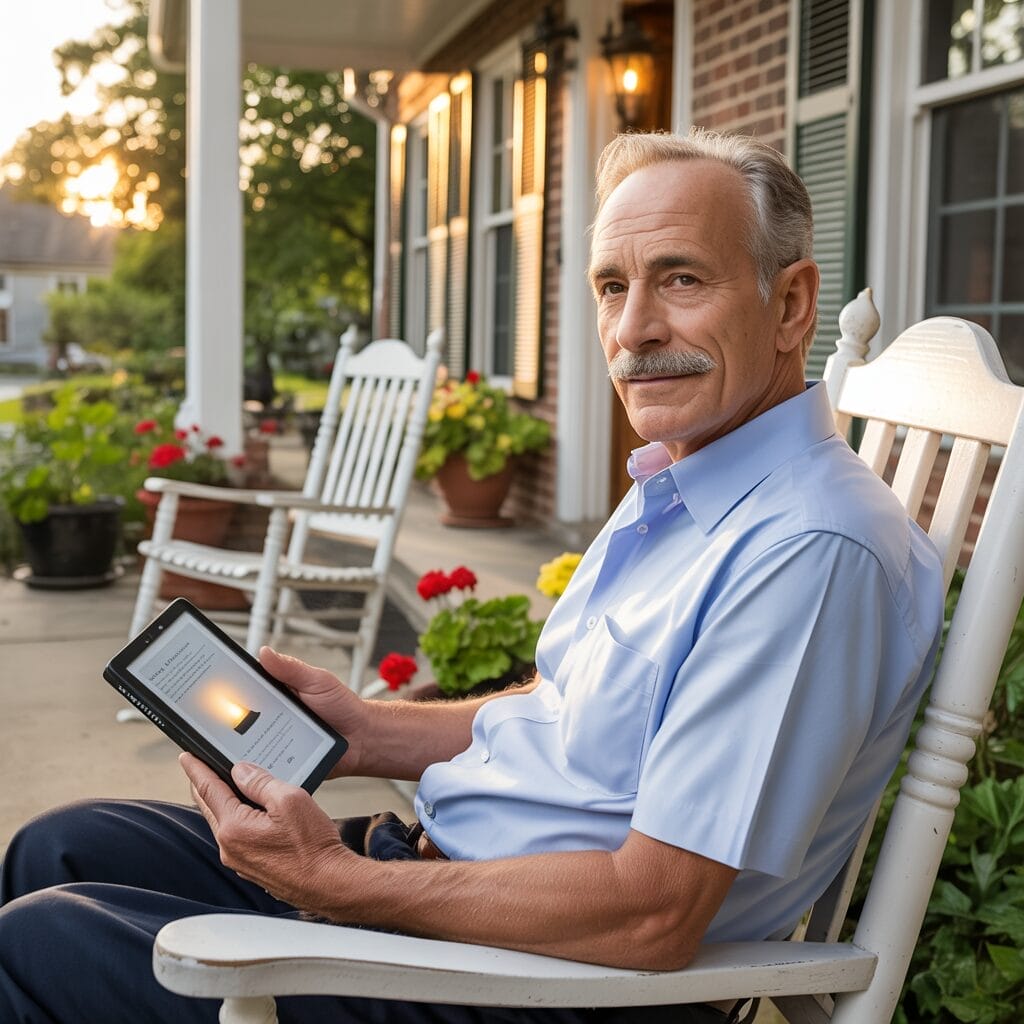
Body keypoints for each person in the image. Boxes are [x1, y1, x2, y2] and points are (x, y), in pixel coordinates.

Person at [0, 129, 944, 1024]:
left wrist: (336, 885)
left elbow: (653, 912)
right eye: (612, 289)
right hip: (448, 893)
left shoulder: (809, 549)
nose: (634, 330)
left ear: (790, 306)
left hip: (534, 986)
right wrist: (365, 730)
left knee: (34, 946)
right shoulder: (691, 477)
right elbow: (570, 714)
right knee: (61, 846)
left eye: (681, 280)